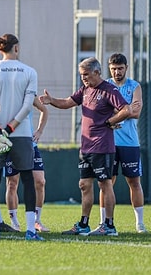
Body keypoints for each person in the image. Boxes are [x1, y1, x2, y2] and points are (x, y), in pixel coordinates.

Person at [40, 57, 130, 236]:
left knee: (105, 184)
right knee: (84, 185)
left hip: (102, 147)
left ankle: (109, 226)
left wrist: (111, 121)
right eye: (81, 75)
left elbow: (126, 109)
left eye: (86, 75)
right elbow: (67, 102)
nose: (84, 78)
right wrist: (51, 100)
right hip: (86, 148)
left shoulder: (108, 89)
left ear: (97, 72)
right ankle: (84, 224)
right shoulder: (85, 90)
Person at [0, 33, 42, 241]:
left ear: (0, 49)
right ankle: (30, 231)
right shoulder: (29, 72)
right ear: (16, 48)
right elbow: (27, 106)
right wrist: (11, 127)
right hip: (21, 132)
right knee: (27, 179)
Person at [101, 53, 145, 233]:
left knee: (134, 181)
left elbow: (136, 113)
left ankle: (140, 223)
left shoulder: (135, 86)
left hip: (130, 143)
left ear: (126, 67)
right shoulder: (105, 86)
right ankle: (104, 222)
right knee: (106, 182)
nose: (117, 72)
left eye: (120, 68)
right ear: (109, 69)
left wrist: (114, 115)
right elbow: (102, 111)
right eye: (113, 69)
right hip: (108, 143)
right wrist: (125, 109)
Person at [4, 97, 49, 233]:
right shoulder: (4, 90)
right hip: (10, 143)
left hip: (29, 144)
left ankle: (37, 220)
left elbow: (44, 110)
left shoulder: (28, 93)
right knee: (12, 183)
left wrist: (39, 130)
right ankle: (14, 222)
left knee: (40, 181)